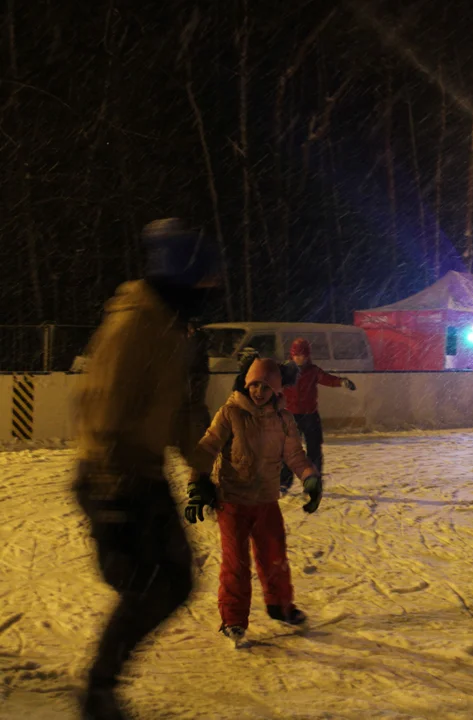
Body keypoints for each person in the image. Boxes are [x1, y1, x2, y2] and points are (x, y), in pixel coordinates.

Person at [73, 218, 219, 719]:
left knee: (171, 582)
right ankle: (99, 691)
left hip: (145, 474)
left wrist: (203, 470)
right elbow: (100, 405)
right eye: (202, 282)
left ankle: (101, 686)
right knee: (152, 584)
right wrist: (110, 494)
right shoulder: (133, 325)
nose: (208, 292)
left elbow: (177, 411)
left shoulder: (169, 326)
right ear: (178, 276)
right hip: (114, 477)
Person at [187, 358, 323, 647]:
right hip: (232, 502)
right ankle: (234, 619)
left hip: (266, 502)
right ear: (246, 384)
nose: (259, 391)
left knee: (274, 557)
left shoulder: (283, 419)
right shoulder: (230, 413)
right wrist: (196, 482)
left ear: (276, 389)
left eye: (265, 386)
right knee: (235, 564)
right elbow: (208, 446)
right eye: (254, 385)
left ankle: (280, 607)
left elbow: (295, 456)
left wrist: (310, 477)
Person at [279, 338, 356, 495]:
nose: (300, 358)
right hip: (290, 416)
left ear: (308, 356)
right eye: (297, 355)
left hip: (310, 416)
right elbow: (272, 384)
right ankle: (283, 483)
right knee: (288, 451)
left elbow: (327, 379)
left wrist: (342, 382)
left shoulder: (313, 371)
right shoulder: (285, 371)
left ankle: (313, 482)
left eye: (303, 355)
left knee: (314, 451)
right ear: (291, 355)